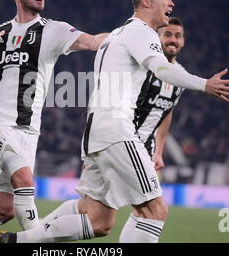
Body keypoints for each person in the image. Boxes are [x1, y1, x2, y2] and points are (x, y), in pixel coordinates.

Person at [0, 0, 229, 243]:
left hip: (97, 134)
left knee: (98, 222)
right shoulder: (141, 32)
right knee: (155, 211)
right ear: (146, 1)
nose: (172, 2)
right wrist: (204, 84)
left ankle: (16, 241)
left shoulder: (118, 34)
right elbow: (162, 69)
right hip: (118, 132)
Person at [0, 0, 108, 232]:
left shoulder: (54, 30)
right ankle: (34, 243)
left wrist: (130, 38)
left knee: (4, 209)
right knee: (25, 181)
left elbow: (95, 41)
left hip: (28, 130)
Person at [39, 16, 187, 230]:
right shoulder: (141, 65)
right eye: (168, 35)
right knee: (138, 211)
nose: (173, 40)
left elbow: (167, 111)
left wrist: (159, 150)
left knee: (138, 211)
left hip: (145, 148)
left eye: (178, 36)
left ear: (183, 41)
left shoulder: (178, 77)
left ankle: (31, 235)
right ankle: (34, 234)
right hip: (121, 141)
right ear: (158, 37)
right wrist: (97, 145)